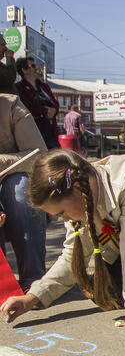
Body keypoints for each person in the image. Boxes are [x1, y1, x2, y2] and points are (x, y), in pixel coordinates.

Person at [0, 150, 125, 334]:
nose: (65, 219)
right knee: (101, 286)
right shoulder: (83, 195)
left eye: (62, 212)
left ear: (77, 188)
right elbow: (73, 255)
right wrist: (34, 296)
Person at [0, 93, 47, 293]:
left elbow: (39, 155)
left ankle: (33, 281)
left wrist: (2, 161)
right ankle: (3, 285)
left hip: (10, 179)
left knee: (20, 189)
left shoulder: (10, 105)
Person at [15, 57, 60, 149]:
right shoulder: (20, 87)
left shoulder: (44, 87)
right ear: (24, 70)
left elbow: (55, 102)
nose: (36, 68)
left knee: (56, 154)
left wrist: (54, 110)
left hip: (51, 129)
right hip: (35, 130)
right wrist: (45, 111)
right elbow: (27, 106)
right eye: (33, 66)